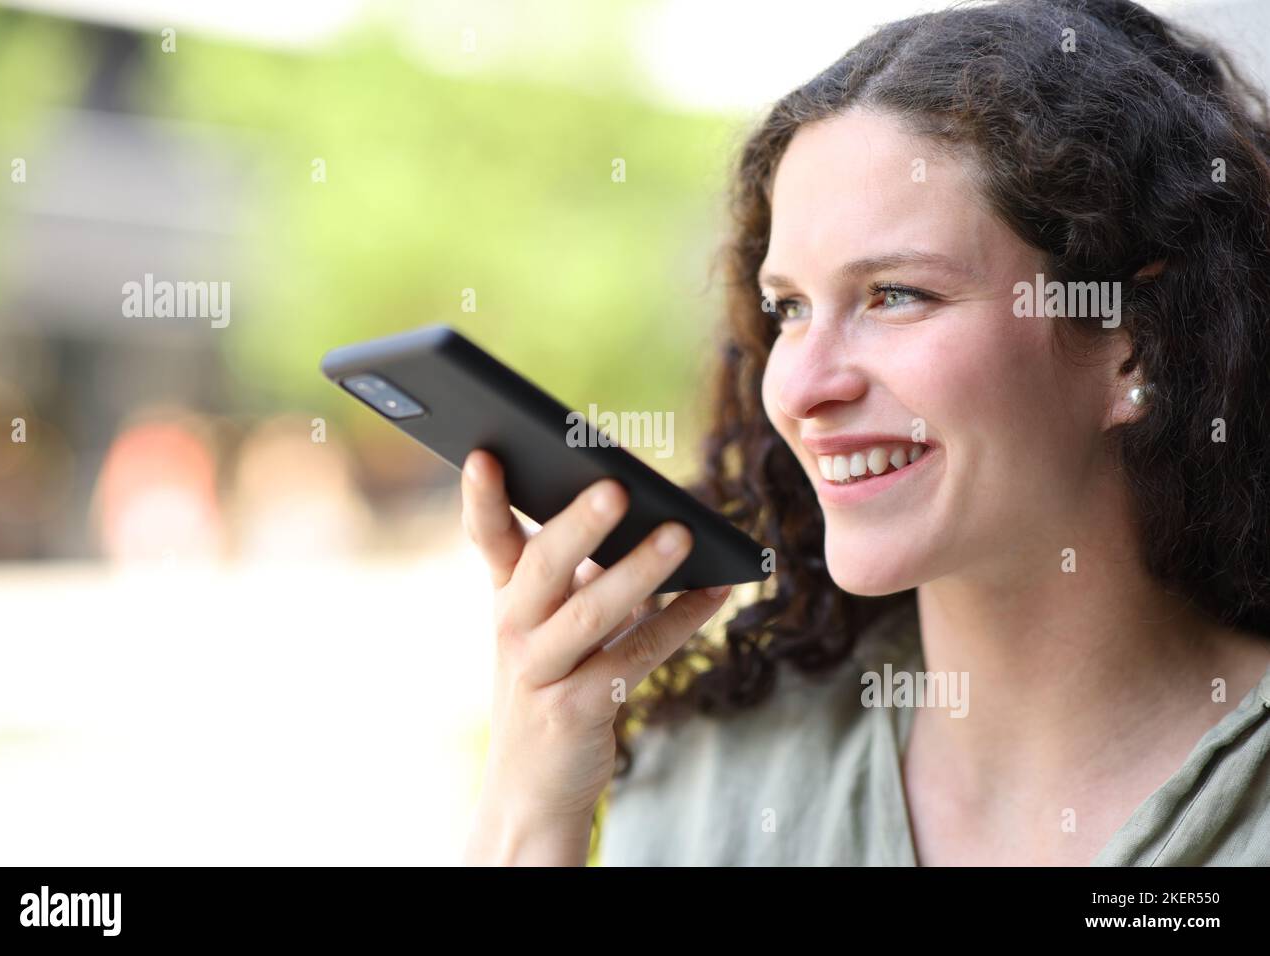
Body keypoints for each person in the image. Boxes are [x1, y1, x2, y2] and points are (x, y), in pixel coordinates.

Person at [461, 0, 1270, 866]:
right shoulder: (708, 783)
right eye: (790, 309)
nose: (800, 388)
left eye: (895, 294)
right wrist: (528, 811)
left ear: (1133, 341)